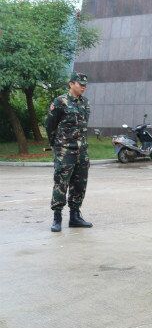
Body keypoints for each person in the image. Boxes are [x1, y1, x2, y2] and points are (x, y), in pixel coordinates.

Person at [47, 71, 94, 232]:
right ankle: (57, 217)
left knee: (80, 183)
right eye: (81, 84)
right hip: (65, 151)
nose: (83, 87)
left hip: (82, 150)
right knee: (61, 182)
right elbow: (50, 125)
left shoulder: (85, 103)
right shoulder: (60, 101)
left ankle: (75, 216)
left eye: (85, 85)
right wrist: (57, 145)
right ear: (71, 84)